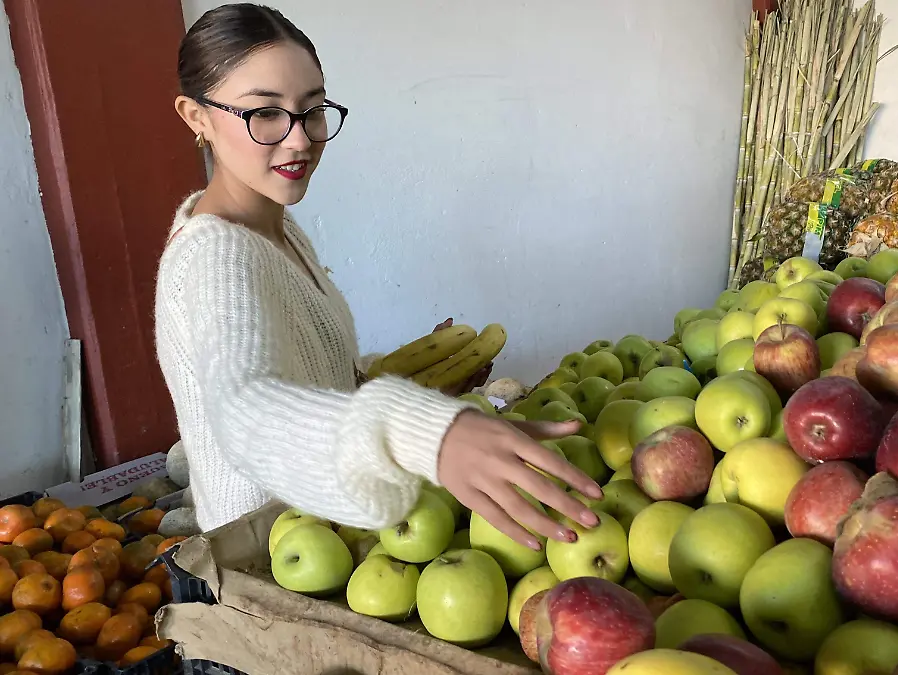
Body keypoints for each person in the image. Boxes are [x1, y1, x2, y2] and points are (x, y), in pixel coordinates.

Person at [156, 3, 601, 549]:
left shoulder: (276, 229)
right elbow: (244, 411)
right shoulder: (215, 256)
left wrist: (433, 403)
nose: (299, 139)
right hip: (262, 564)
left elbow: (310, 378)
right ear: (196, 117)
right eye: (265, 112)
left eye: (312, 109)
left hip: (334, 542)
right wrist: (428, 436)